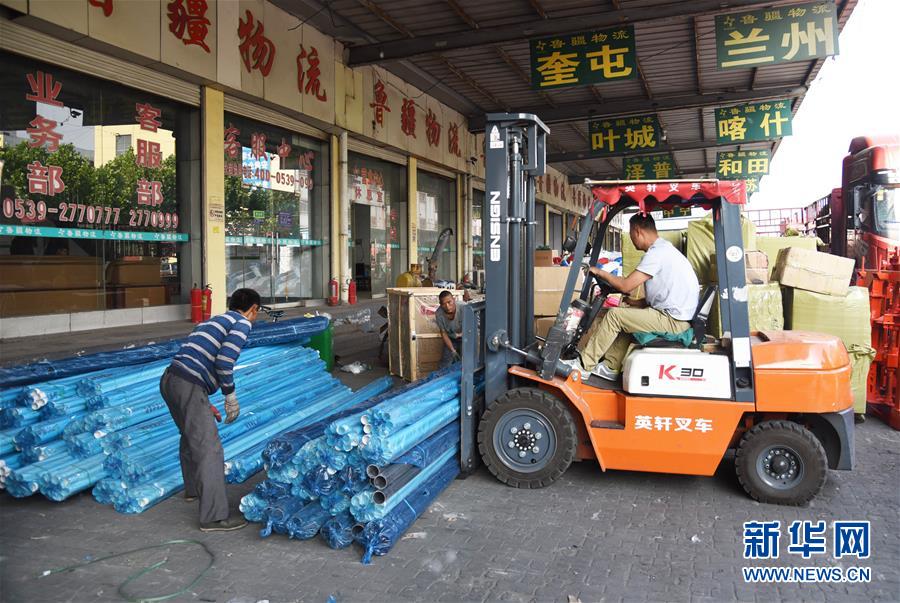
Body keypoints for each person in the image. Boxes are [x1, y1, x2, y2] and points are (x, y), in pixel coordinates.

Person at [159, 288, 261, 532]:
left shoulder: (212, 321)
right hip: (189, 385)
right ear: (253, 309)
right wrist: (230, 396)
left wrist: (205, 402)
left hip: (170, 379)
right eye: (257, 312)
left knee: (189, 435)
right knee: (209, 448)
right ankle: (213, 517)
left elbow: (195, 360)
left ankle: (193, 490)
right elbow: (224, 361)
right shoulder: (242, 323)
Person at [562, 213, 699, 381]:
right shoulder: (663, 250)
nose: (632, 239)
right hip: (674, 317)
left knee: (615, 316)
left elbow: (626, 285)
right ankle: (610, 367)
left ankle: (583, 365)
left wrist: (599, 272)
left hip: (673, 322)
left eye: (631, 233)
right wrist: (634, 302)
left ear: (637, 231)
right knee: (625, 315)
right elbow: (663, 296)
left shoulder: (657, 254)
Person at [435, 290, 462, 367]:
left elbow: (472, 327)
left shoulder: (464, 308)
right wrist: (453, 350)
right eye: (444, 304)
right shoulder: (439, 314)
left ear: (454, 299)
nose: (447, 306)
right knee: (445, 363)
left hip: (467, 337)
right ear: (440, 304)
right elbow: (443, 333)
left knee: (467, 360)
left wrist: (460, 335)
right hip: (451, 339)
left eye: (449, 302)